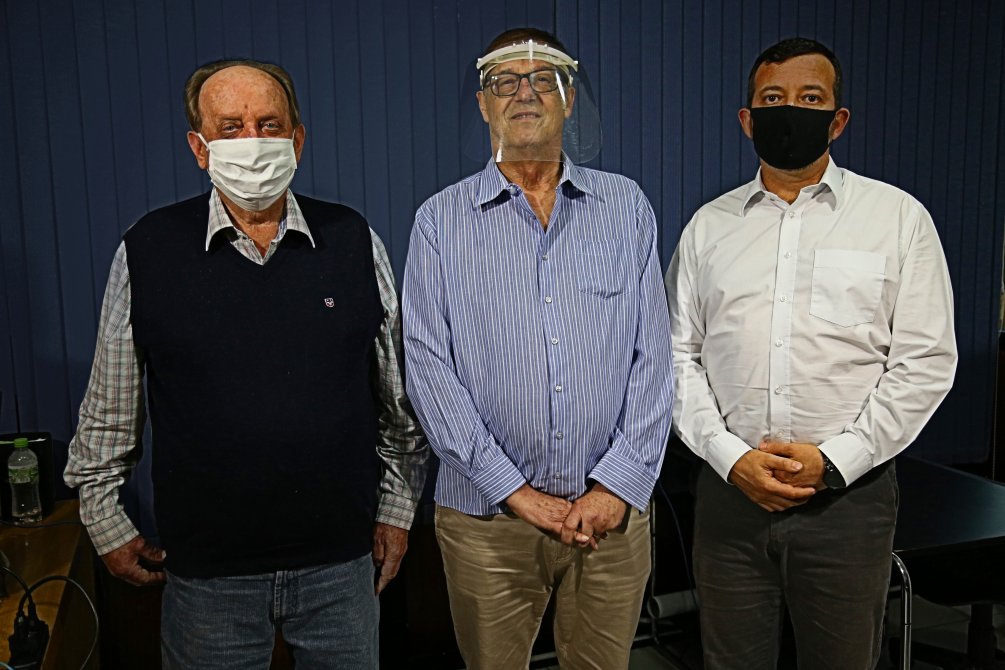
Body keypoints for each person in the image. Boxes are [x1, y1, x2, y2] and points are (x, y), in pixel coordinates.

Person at [64, 59, 427, 668]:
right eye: (230, 127)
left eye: (269, 124)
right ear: (199, 148)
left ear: (297, 139)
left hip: (341, 565)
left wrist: (396, 510)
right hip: (208, 578)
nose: (252, 142)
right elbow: (110, 407)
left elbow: (399, 404)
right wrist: (104, 520)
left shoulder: (353, 240)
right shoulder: (148, 249)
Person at [666, 37, 957, 669]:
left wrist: (834, 461)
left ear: (838, 119)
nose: (789, 111)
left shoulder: (898, 219)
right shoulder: (708, 228)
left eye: (810, 98)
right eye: (772, 99)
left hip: (848, 502)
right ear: (747, 119)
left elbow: (924, 361)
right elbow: (676, 357)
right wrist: (730, 456)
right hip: (730, 498)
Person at [402, 27, 674, 670]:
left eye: (543, 80)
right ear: (484, 104)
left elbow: (654, 358)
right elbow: (428, 367)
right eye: (505, 82)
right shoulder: (440, 221)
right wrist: (514, 490)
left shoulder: (625, 208)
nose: (524, 93)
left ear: (569, 98)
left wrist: (617, 486)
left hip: (610, 518)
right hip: (487, 521)